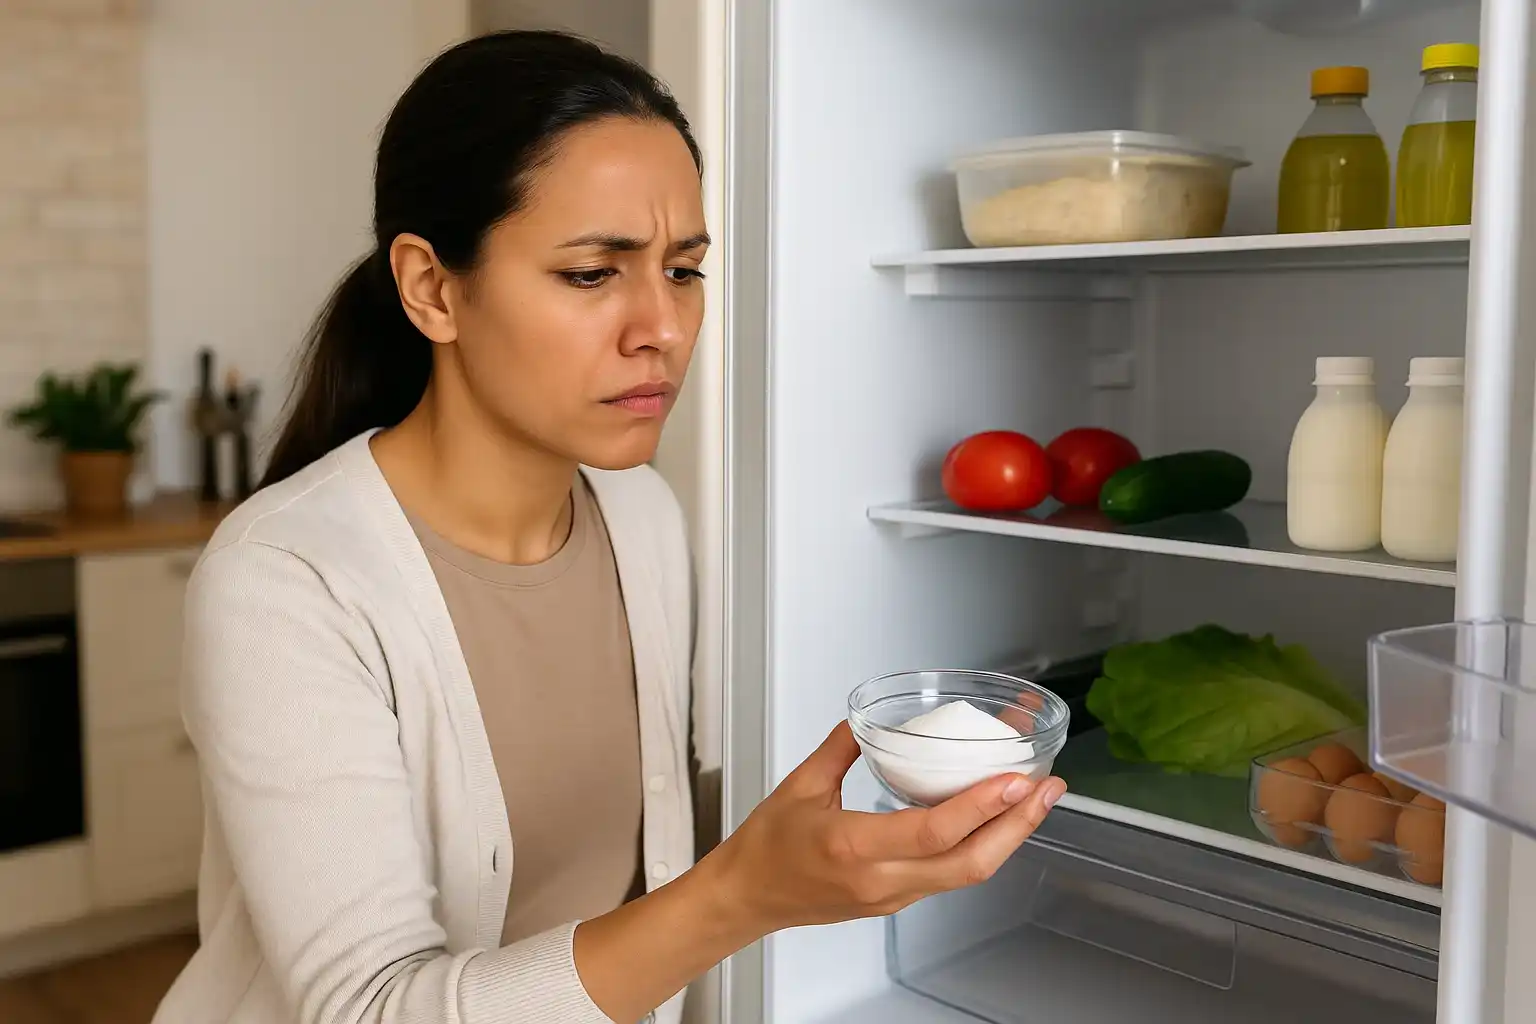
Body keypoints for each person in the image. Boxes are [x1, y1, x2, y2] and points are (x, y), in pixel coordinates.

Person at [152, 30, 1067, 1024]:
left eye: (684, 269)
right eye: (594, 273)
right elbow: (370, 1009)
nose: (663, 327)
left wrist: (841, 830)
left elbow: (640, 834)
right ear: (431, 287)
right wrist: (746, 891)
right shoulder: (284, 580)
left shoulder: (639, 514)